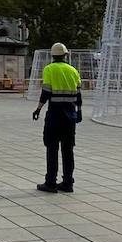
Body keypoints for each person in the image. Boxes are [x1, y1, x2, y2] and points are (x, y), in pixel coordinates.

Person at [33, 42, 82, 193]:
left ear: (52, 55)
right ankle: (68, 182)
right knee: (68, 150)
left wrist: (38, 109)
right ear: (65, 55)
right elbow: (78, 94)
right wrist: (79, 111)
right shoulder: (73, 70)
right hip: (70, 116)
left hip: (54, 115)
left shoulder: (49, 69)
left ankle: (50, 182)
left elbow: (46, 92)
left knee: (52, 149)